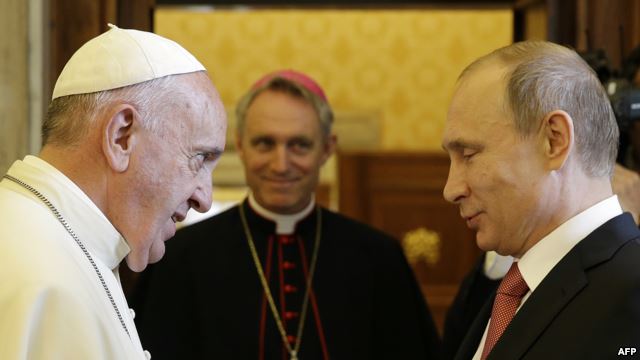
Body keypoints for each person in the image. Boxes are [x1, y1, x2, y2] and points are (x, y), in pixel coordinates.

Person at [130, 69, 441, 359]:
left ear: (326, 149)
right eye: (265, 143)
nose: (281, 164)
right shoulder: (181, 258)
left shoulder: (378, 258)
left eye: (299, 145)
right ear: (241, 146)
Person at [0, 24, 227, 360]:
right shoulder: (46, 277)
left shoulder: (56, 241)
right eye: (199, 158)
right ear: (122, 136)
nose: (204, 200)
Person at [441, 41, 640, 359]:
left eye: (469, 154)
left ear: (554, 140)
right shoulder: (514, 289)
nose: (451, 189)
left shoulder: (631, 294)